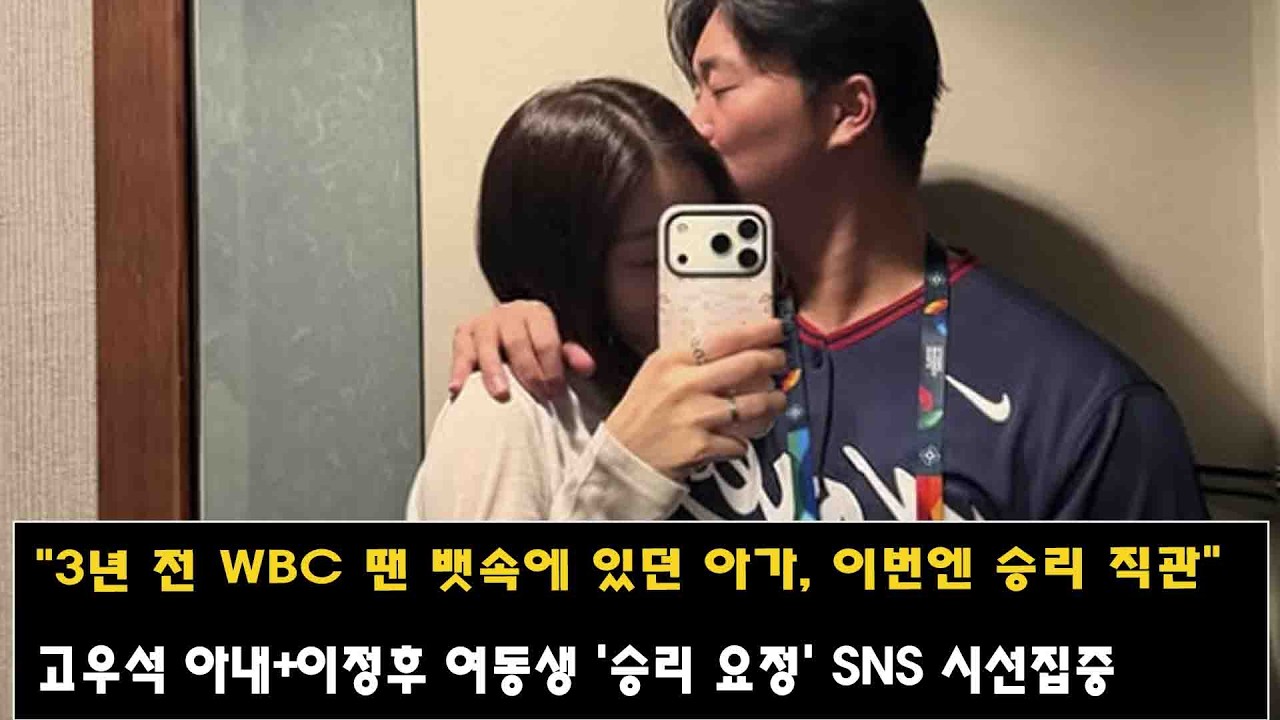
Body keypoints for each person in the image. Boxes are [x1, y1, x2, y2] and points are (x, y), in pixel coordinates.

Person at [445, 0, 1210, 520]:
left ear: (848, 110)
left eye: (718, 88)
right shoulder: (642, 344)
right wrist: (521, 321)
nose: (692, 123)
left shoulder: (1085, 409)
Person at [406, 77, 790, 520]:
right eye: (653, 259)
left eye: (711, 244)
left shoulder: (769, 381)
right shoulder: (503, 413)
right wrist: (630, 472)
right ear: (565, 269)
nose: (697, 286)